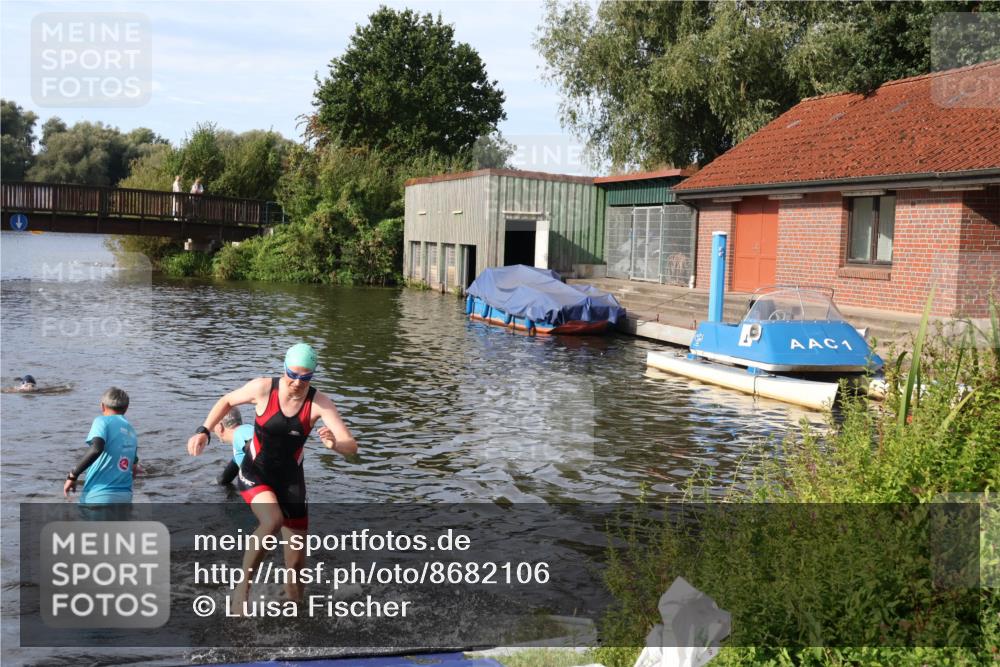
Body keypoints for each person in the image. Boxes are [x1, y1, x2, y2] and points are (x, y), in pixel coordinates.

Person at [186, 343, 357, 612]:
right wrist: (204, 431)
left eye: (305, 378)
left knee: (297, 567)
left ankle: (294, 614)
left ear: (312, 376)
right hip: (257, 472)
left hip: (291, 484)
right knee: (272, 521)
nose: (297, 383)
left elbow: (351, 446)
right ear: (284, 369)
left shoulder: (319, 403)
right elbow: (227, 400)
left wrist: (334, 444)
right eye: (292, 375)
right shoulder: (264, 388)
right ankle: (242, 589)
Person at [64, 387, 139, 504]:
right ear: (126, 408)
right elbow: (133, 469)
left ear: (102, 406)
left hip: (98, 496)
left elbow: (96, 448)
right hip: (125, 498)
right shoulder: (132, 431)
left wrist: (73, 475)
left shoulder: (102, 421)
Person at [215, 406, 253, 485]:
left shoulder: (241, 433)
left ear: (220, 427)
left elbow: (258, 448)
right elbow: (224, 478)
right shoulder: (239, 447)